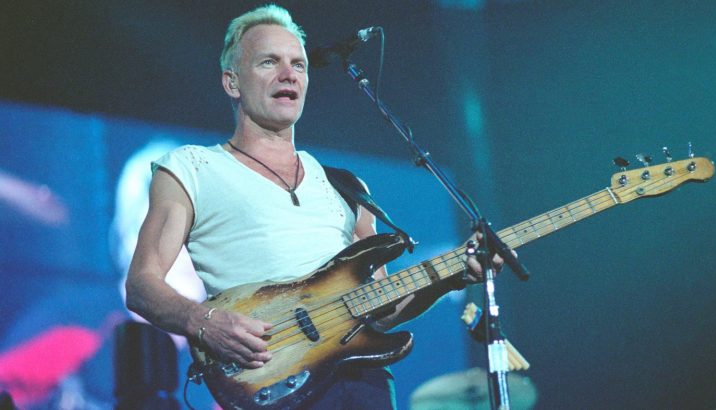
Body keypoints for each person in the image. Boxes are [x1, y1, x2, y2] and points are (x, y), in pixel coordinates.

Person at [125, 4, 506, 409]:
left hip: (365, 385)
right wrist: (201, 322)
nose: (288, 74)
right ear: (232, 83)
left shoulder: (347, 187)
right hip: (272, 381)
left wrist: (450, 276)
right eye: (269, 62)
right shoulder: (191, 167)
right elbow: (141, 284)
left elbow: (382, 309)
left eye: (299, 65)